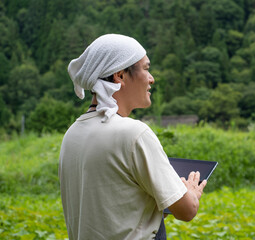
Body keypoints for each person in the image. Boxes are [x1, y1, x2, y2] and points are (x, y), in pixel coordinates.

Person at [58, 34, 207, 240]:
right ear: (120, 75)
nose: (151, 78)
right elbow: (187, 210)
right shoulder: (134, 134)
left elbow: (110, 210)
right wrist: (191, 192)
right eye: (146, 68)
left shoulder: (72, 134)